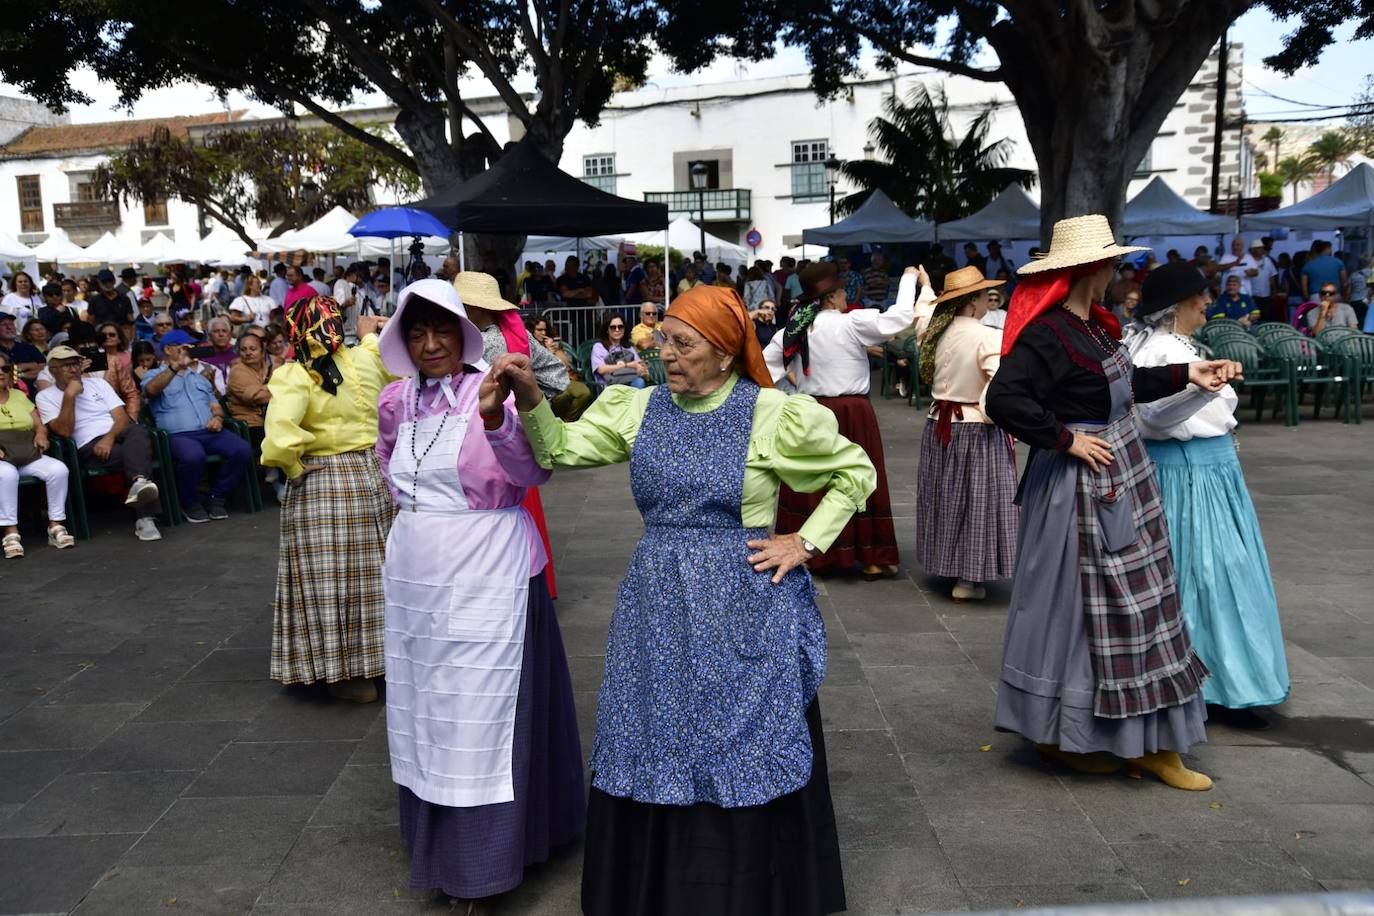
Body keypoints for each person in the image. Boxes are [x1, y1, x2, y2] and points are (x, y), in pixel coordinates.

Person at [495, 283, 869, 916]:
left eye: (683, 343)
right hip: (659, 600)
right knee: (654, 726)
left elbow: (853, 470)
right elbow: (559, 447)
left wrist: (803, 542)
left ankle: (744, 888)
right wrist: (532, 399)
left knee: (740, 731)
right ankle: (659, 887)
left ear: (725, 353)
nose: (665, 353)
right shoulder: (639, 409)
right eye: (664, 339)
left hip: (744, 601)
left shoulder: (772, 413)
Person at [984, 214, 1242, 790]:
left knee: (1132, 607)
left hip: (1120, 477)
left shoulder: (1096, 327)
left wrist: (1187, 373)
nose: (1120, 273)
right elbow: (1003, 398)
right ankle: (1086, 737)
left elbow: (1123, 390)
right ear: (1093, 268)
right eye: (1113, 262)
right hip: (1083, 491)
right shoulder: (1051, 332)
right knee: (1100, 611)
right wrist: (1067, 439)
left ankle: (1110, 740)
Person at [370, 278, 584, 908]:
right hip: (415, 575)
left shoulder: (490, 392)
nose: (431, 344)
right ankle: (436, 843)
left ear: (465, 334)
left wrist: (495, 419)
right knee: (425, 709)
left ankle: (490, 861)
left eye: (443, 331)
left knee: (485, 714)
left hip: (489, 566)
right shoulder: (393, 401)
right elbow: (391, 474)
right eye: (418, 332)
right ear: (401, 339)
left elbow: (531, 470)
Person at [1132, 262, 1290, 730]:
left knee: (1207, 574)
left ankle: (1212, 681)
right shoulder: (1160, 349)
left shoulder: (1168, 344)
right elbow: (1153, 418)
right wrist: (1206, 389)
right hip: (1190, 473)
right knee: (1210, 576)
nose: (1208, 302)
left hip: (1206, 471)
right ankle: (1214, 685)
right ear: (1177, 304)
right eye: (1200, 296)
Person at [764, 262, 933, 579]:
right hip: (852, 412)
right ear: (830, 298)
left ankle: (812, 555)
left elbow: (762, 370)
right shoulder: (851, 322)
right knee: (860, 478)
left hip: (809, 412)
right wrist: (909, 278)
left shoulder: (794, 330)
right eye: (841, 291)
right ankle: (872, 556)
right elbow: (897, 319)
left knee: (811, 480)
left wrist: (783, 392)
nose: (845, 296)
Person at [261, 297, 392, 702]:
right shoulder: (366, 361)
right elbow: (376, 353)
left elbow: (280, 436)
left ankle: (344, 673)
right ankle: (381, 662)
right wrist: (370, 335)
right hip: (372, 472)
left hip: (325, 479)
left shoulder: (296, 374)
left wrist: (293, 466)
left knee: (331, 579)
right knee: (376, 574)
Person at [914, 266, 1017, 601]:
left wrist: (927, 286)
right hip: (974, 426)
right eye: (983, 296)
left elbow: (922, 313)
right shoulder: (985, 336)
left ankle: (951, 566)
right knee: (977, 502)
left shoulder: (935, 330)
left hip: (939, 425)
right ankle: (968, 580)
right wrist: (996, 417)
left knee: (945, 497)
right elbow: (999, 385)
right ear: (971, 303)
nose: (989, 302)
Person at [37, 345, 163, 541]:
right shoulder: (45, 396)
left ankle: (139, 483)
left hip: (116, 435)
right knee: (139, 453)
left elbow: (122, 417)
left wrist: (109, 438)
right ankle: (145, 515)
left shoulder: (98, 384)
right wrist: (69, 396)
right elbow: (63, 431)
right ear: (53, 371)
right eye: (66, 365)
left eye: (76, 363)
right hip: (88, 447)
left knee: (137, 430)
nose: (73, 369)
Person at [141, 334, 250, 523]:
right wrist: (175, 366)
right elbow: (151, 390)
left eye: (192, 347)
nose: (189, 351)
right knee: (193, 456)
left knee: (242, 449)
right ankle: (189, 502)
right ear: (168, 349)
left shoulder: (200, 378)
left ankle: (217, 497)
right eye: (184, 347)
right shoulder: (153, 374)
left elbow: (217, 408)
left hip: (210, 432)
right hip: (177, 436)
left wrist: (217, 418)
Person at [0, 350, 74, 558]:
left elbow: (38, 424)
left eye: (5, 368)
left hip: (25, 451)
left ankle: (55, 525)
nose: (1, 373)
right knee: (7, 474)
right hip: (2, 457)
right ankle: (10, 532)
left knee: (58, 469)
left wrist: (41, 435)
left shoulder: (18, 395)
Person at [529, 315, 592, 421]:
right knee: (562, 396)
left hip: (564, 378)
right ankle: (557, 419)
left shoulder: (550, 343)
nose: (543, 333)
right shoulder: (530, 346)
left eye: (545, 330)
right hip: (544, 383)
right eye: (539, 330)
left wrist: (555, 350)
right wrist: (548, 353)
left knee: (584, 392)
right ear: (532, 330)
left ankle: (568, 420)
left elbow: (565, 364)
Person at [93, 321, 140, 420]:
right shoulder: (93, 360)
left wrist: (131, 418)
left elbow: (130, 392)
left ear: (119, 339)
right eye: (104, 335)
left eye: (112, 334)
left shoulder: (126, 357)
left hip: (119, 409)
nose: (107, 337)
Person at [590, 314, 648, 389]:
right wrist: (627, 365)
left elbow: (638, 365)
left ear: (624, 329)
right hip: (609, 386)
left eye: (620, 327)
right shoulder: (599, 347)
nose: (617, 330)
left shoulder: (629, 347)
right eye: (613, 327)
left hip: (630, 382)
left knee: (640, 382)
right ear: (607, 330)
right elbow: (601, 370)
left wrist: (643, 371)